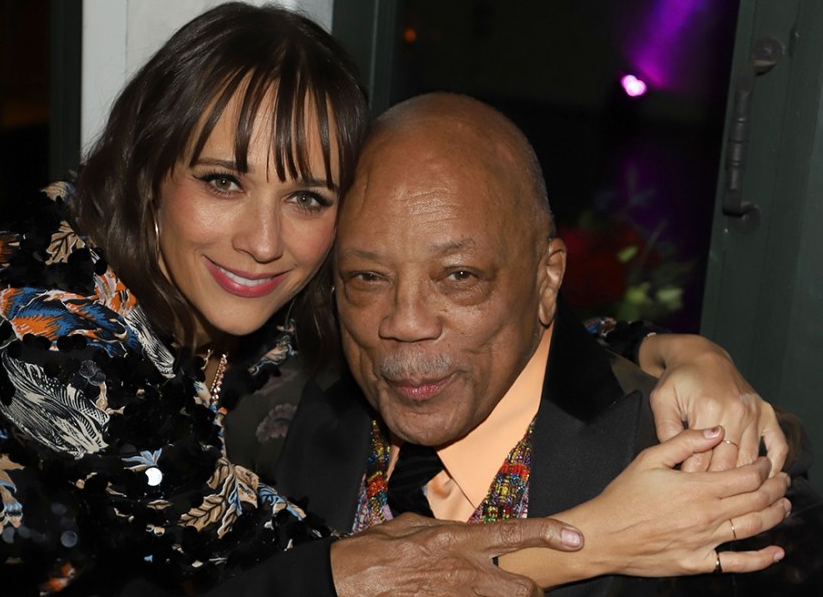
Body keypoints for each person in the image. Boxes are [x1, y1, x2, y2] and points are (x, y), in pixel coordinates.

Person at [0, 1, 792, 597]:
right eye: (223, 181)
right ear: (150, 172)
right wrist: (598, 538)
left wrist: (682, 352)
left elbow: (506, 306)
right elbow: (309, 570)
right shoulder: (28, 315)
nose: (264, 241)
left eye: (308, 197)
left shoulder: (250, 299)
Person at [273, 91, 821, 595]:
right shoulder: (285, 424)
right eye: (367, 278)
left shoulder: (685, 466)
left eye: (460, 276)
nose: (406, 322)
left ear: (547, 279)